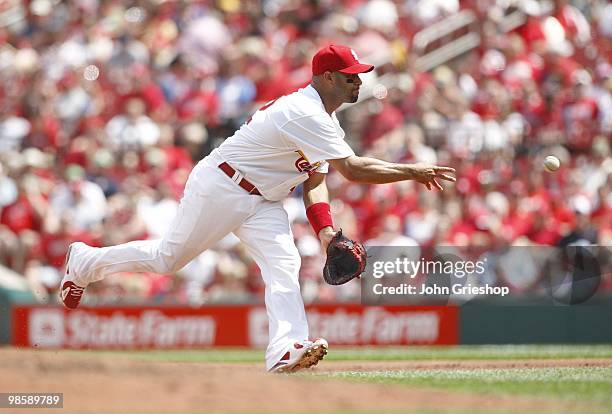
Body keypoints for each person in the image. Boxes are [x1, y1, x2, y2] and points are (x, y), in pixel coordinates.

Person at [60, 44, 456, 372]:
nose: (359, 81)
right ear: (327, 78)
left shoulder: (325, 122)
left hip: (262, 199)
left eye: (360, 74)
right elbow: (352, 170)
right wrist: (412, 171)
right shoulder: (304, 111)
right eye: (351, 75)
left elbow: (315, 182)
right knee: (167, 259)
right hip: (222, 184)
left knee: (285, 264)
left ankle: (285, 349)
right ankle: (85, 261)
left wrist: (326, 233)